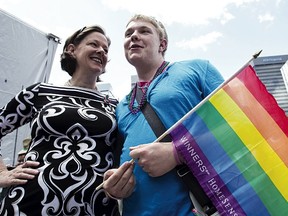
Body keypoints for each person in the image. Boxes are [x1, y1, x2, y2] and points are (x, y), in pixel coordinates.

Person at [0, 25, 132, 216]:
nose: (101, 51)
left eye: (105, 49)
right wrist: (3, 174)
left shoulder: (115, 105)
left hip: (94, 207)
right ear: (71, 49)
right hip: (28, 204)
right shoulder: (39, 92)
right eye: (94, 44)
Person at [103, 14, 225, 215]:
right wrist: (115, 185)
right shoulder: (122, 105)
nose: (134, 36)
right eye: (128, 33)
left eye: (144, 31)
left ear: (162, 44)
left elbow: (239, 123)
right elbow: (120, 161)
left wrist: (179, 153)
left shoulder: (198, 69)